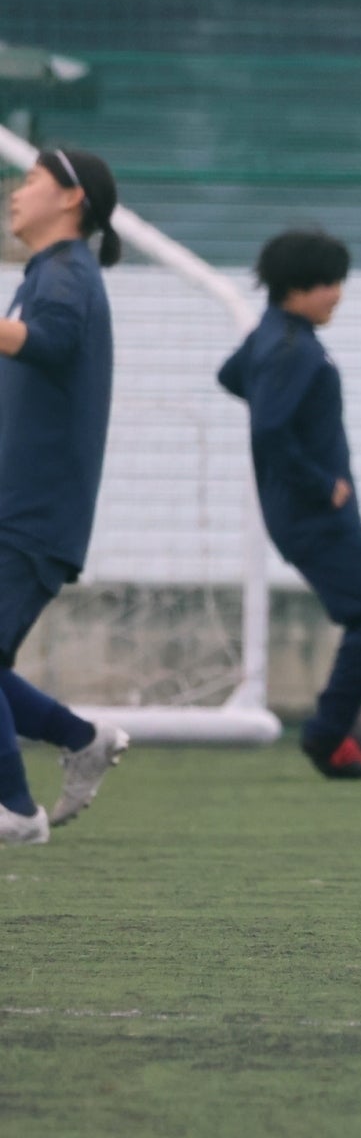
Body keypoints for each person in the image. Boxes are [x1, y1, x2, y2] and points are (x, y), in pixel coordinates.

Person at [218, 229, 361, 780]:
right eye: (330, 283)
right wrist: (321, 482)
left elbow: (229, 376)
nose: (338, 294)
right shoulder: (292, 348)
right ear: (297, 286)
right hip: (314, 511)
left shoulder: (273, 336)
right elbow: (269, 432)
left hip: (306, 512)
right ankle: (328, 735)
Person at [0, 148, 130, 845]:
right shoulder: (46, 273)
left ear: (72, 198)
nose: (15, 193)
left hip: (31, 512)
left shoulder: (67, 273)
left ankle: (17, 812)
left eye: (30, 180)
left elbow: (47, 343)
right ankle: (80, 738)